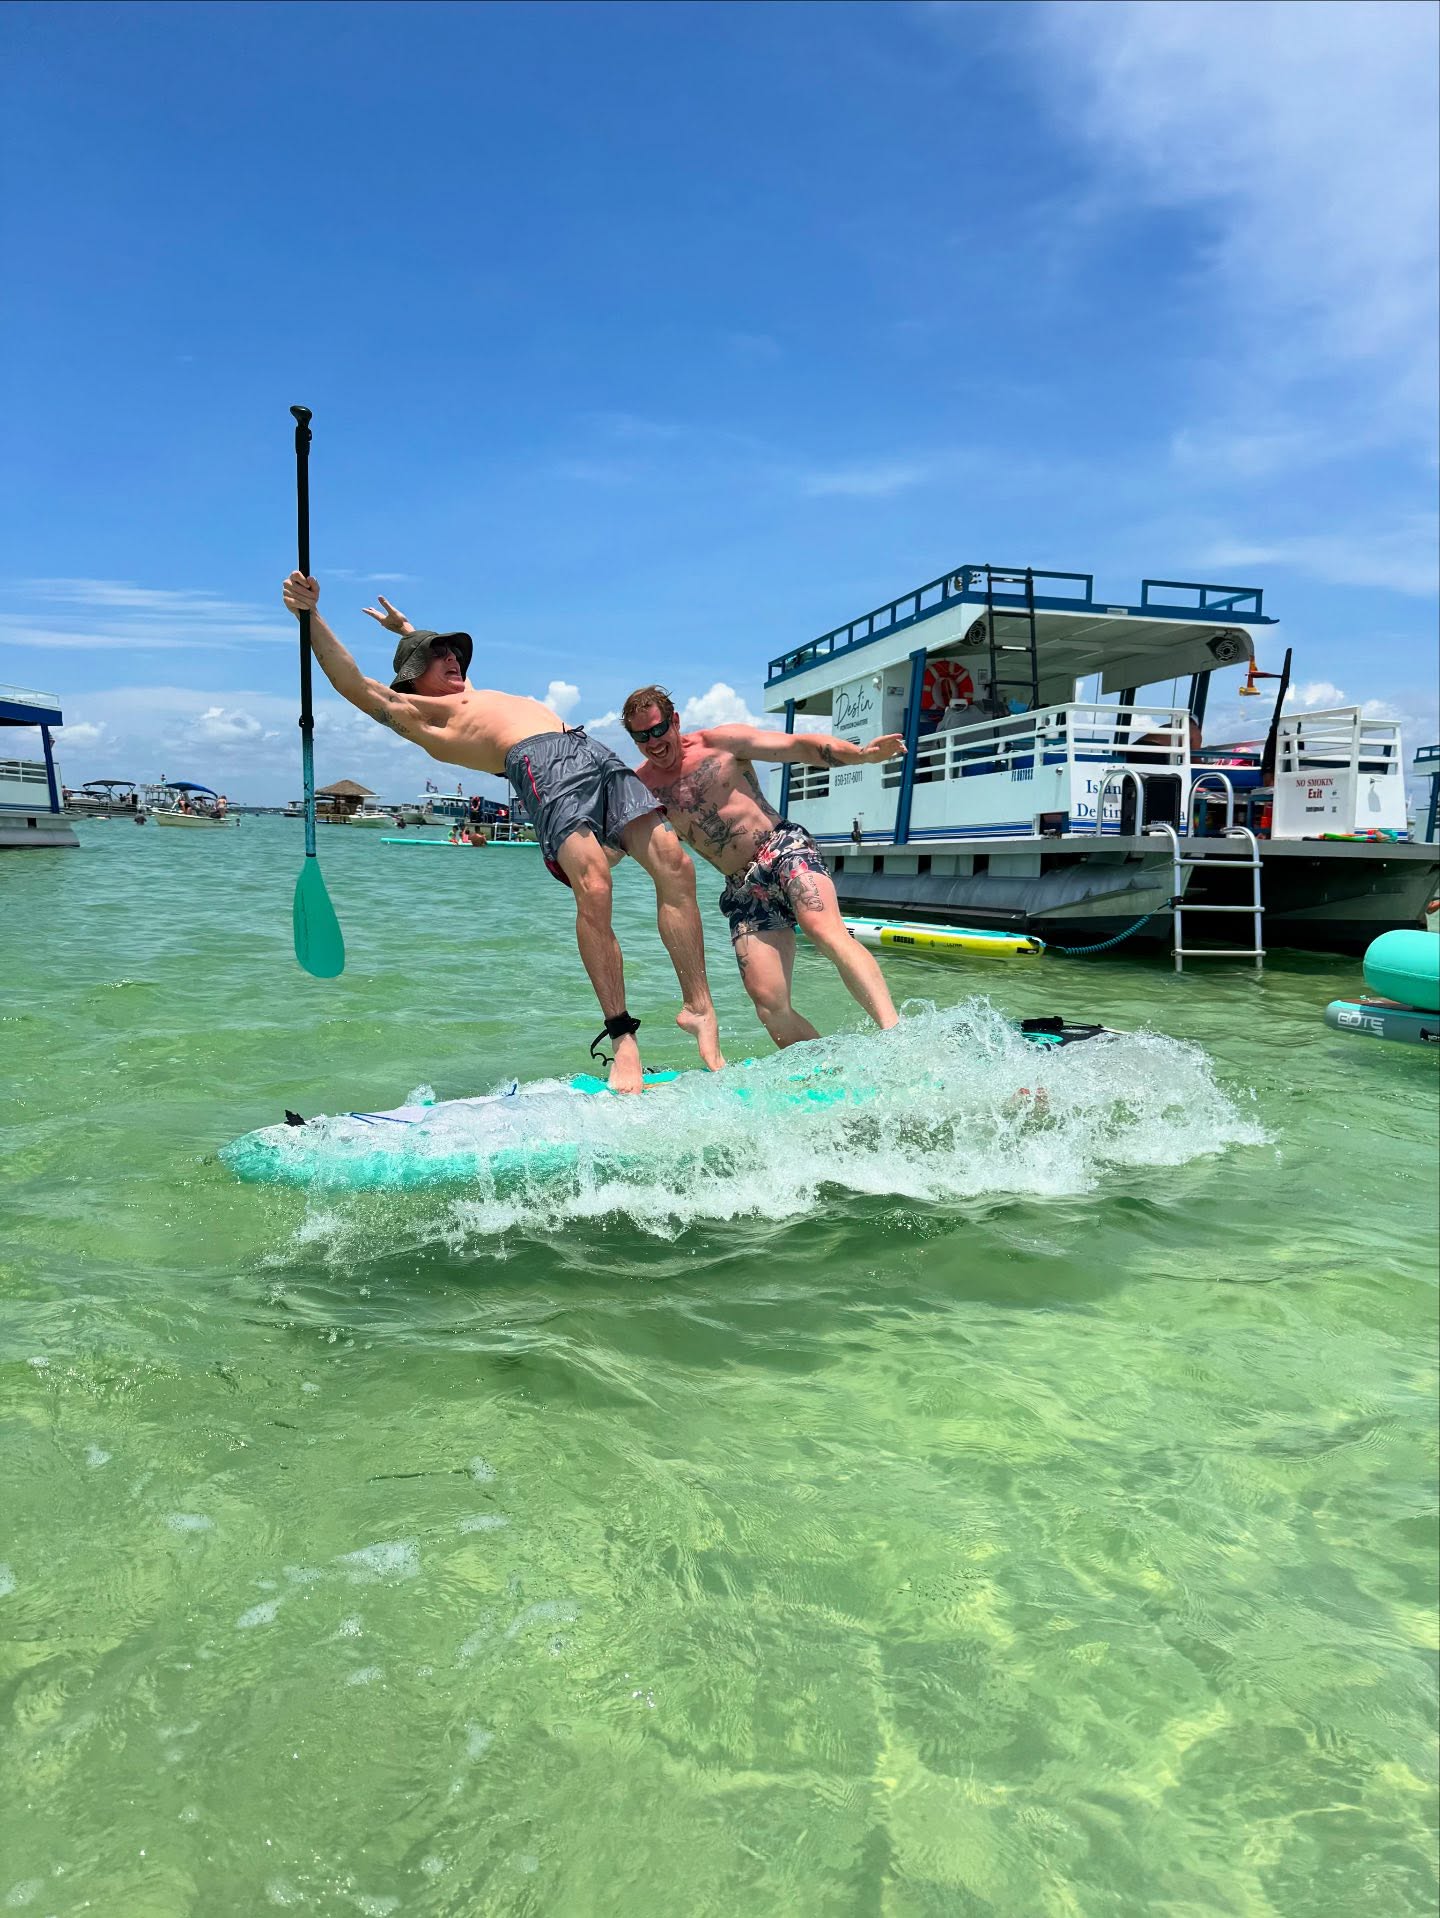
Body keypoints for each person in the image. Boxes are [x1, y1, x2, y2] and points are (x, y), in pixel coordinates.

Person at [280, 577, 723, 1092]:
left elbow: (436, 665)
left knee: (676, 863)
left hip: (589, 749)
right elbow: (354, 683)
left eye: (453, 651)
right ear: (411, 681)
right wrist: (310, 617)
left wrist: (404, 630)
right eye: (437, 654)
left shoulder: (470, 695)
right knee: (596, 886)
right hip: (542, 766)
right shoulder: (423, 719)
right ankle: (622, 1036)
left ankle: (698, 1006)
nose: (453, 659)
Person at [623, 684, 906, 1047]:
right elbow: (618, 844)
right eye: (642, 736)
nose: (654, 742)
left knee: (824, 929)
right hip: (742, 886)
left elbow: (798, 746)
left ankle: (894, 1035)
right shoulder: (641, 787)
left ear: (674, 722)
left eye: (659, 729)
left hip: (783, 848)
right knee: (769, 1004)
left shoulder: (720, 743)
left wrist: (862, 755)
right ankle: (828, 1069)